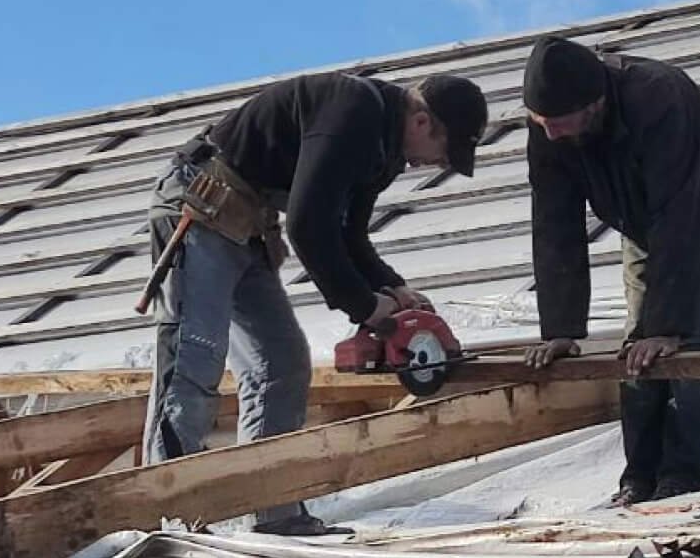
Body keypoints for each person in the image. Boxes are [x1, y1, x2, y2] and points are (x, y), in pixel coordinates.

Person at [143, 67, 488, 533]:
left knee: (281, 363)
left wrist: (391, 287)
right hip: (202, 204)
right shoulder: (357, 111)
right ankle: (158, 520)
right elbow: (308, 225)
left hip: (247, 223)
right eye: (445, 151)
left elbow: (348, 232)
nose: (439, 163)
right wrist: (364, 308)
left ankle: (276, 512)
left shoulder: (384, 148)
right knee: (195, 355)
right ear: (424, 123)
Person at [522, 33, 700, 506]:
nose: (549, 135)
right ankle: (638, 475)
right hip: (639, 218)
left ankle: (683, 474)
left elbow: (681, 212)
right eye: (541, 123)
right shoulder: (547, 121)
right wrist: (562, 328)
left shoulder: (657, 95)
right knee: (636, 346)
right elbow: (554, 221)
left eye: (557, 124)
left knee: (690, 345)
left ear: (594, 104)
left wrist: (669, 325)